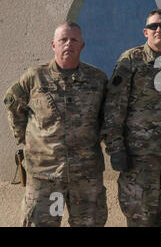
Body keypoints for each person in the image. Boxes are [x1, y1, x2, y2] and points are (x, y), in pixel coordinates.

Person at [3, 22, 108, 227]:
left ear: (82, 45)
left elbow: (107, 117)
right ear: (53, 45)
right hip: (47, 179)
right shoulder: (34, 78)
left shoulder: (97, 79)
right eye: (63, 40)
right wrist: (26, 139)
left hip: (85, 179)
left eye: (74, 40)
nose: (68, 44)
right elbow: (13, 106)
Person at [101, 8, 161, 227]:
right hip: (139, 159)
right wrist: (115, 148)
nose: (159, 30)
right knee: (140, 219)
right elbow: (114, 107)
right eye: (153, 26)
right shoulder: (131, 60)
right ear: (145, 32)